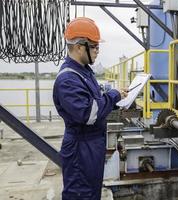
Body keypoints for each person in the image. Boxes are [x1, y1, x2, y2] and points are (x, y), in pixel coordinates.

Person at [53, 17, 127, 200]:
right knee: (80, 194)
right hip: (81, 148)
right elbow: (89, 114)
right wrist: (113, 96)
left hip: (91, 145)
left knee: (92, 193)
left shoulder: (84, 72)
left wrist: (116, 97)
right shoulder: (68, 80)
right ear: (79, 47)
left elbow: (96, 100)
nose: (97, 51)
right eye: (94, 46)